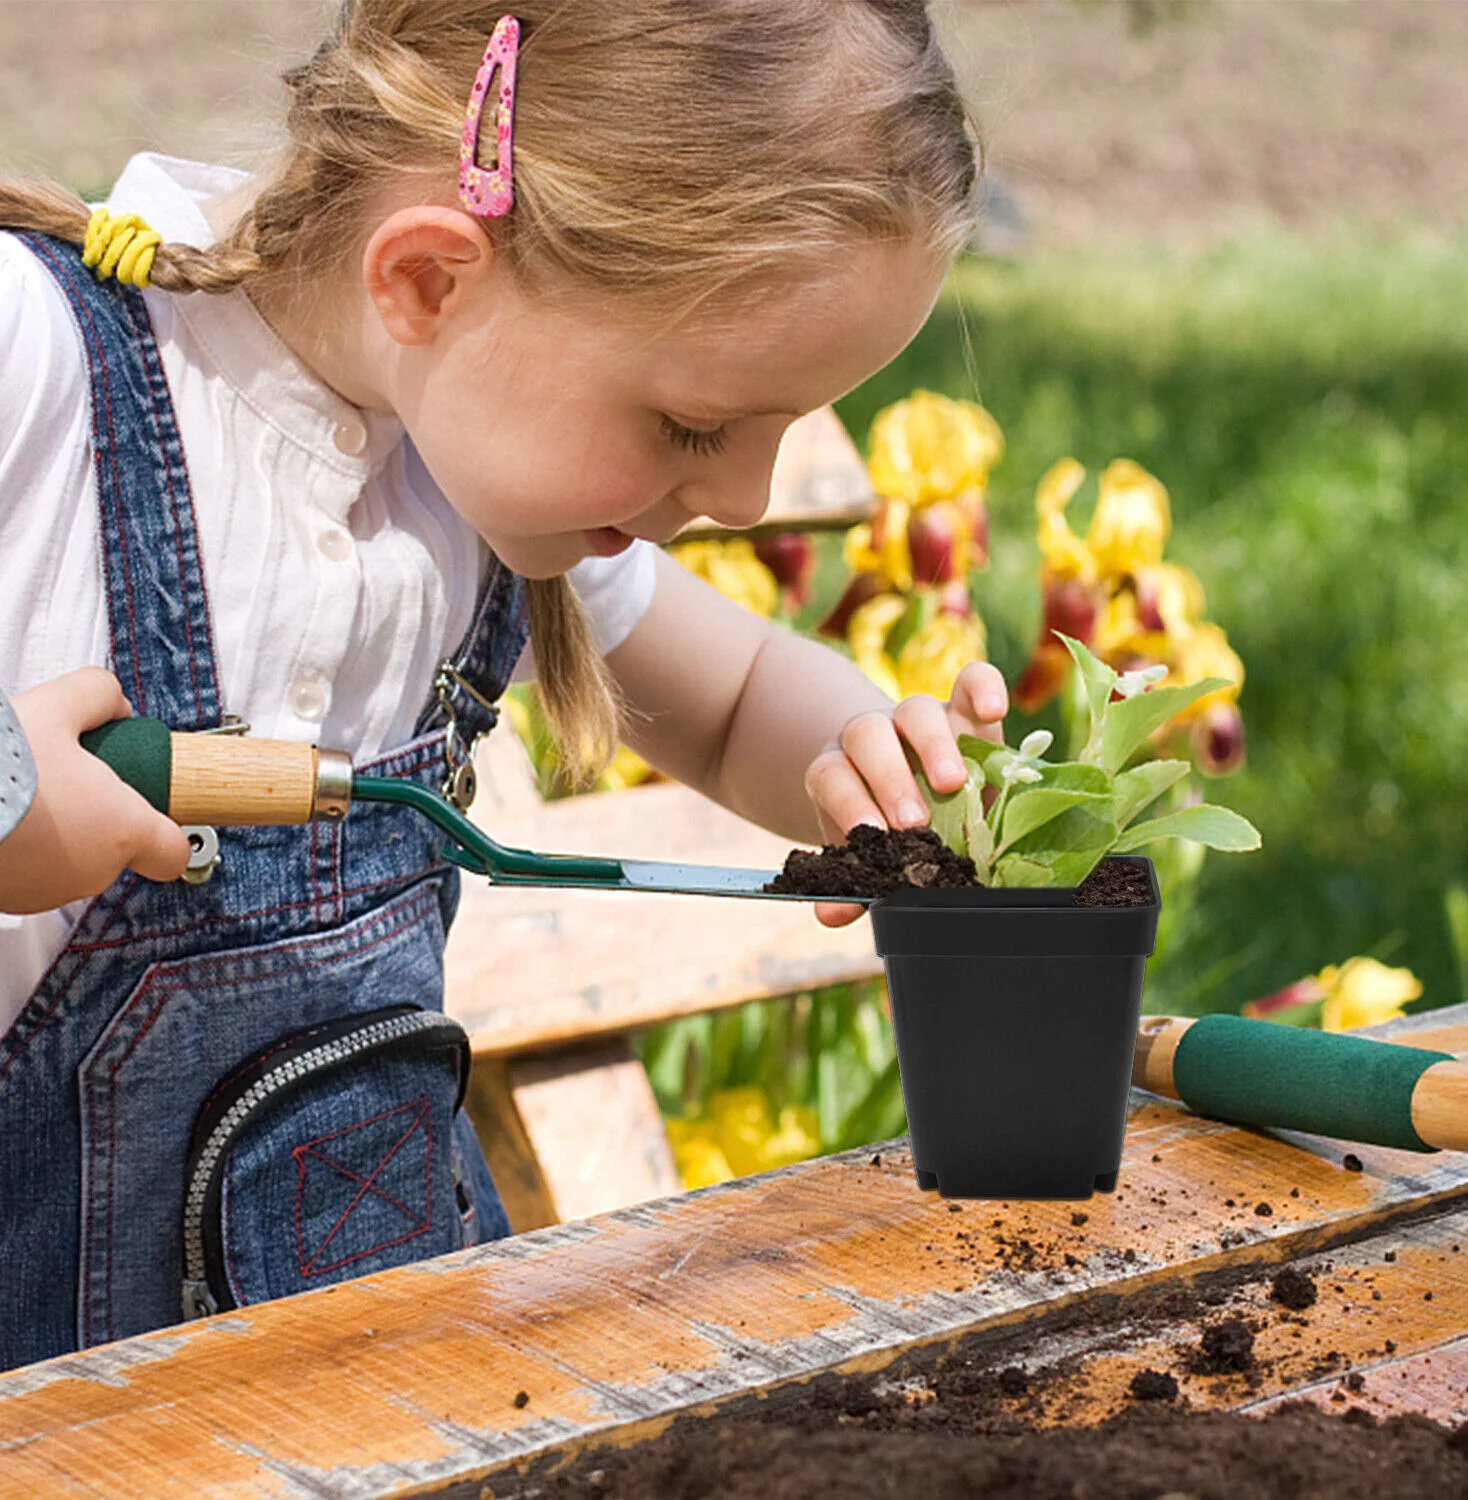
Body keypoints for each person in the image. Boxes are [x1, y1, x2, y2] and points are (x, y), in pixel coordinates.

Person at [0, 0, 1008, 1368]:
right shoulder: (37, 366)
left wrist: (863, 760)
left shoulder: (454, 474)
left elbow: (731, 697)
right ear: (426, 281)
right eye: (697, 425)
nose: (745, 497)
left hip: (379, 1391)